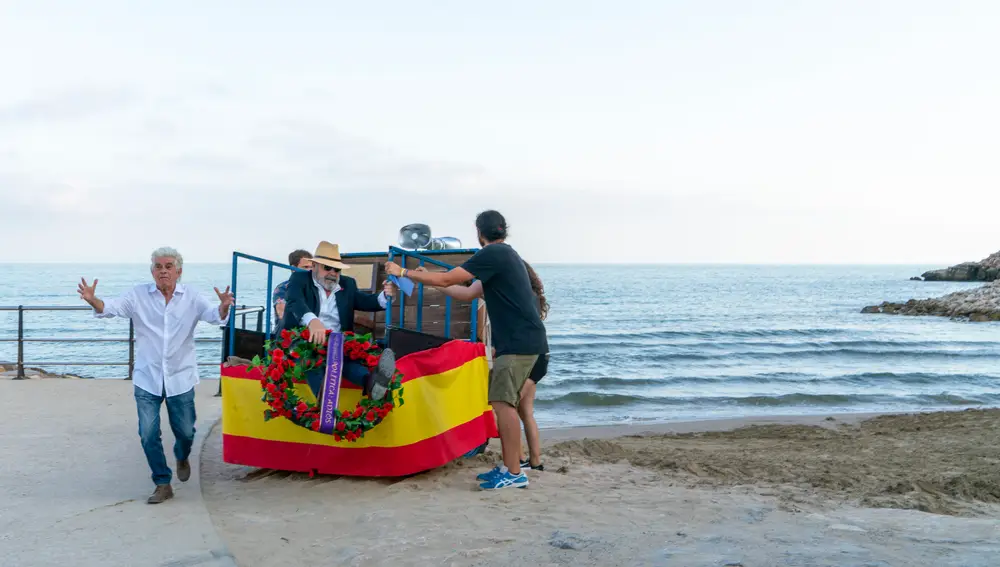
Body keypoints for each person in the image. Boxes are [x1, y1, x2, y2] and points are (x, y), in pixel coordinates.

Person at [385, 210, 547, 490]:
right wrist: (428, 277)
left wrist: (403, 272)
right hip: (522, 342)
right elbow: (466, 292)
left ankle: (514, 472)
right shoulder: (505, 257)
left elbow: (448, 280)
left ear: (479, 232)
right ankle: (511, 467)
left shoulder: (493, 254)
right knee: (503, 403)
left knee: (503, 404)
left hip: (518, 344)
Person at [77, 247, 235, 504]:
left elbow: (214, 317)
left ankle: (182, 455)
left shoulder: (192, 296)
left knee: (185, 432)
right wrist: (93, 300)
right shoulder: (138, 295)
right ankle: (162, 482)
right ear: (152, 271)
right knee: (148, 433)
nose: (163, 271)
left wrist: (224, 307)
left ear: (179, 271)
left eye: (168, 266)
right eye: (158, 266)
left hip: (180, 377)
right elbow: (110, 308)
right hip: (147, 377)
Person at [429, 259, 550, 472]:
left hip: (523, 356)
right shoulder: (528, 295)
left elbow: (467, 294)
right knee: (526, 412)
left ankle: (519, 459)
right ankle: (535, 461)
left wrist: (437, 283)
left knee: (505, 408)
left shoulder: (506, 291)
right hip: (539, 355)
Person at [278, 240, 398, 400]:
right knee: (312, 357)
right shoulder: (300, 279)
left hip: (336, 343)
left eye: (337, 269)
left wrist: (386, 295)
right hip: (302, 341)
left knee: (346, 360)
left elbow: (364, 301)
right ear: (314, 266)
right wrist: (312, 321)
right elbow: (294, 301)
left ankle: (372, 384)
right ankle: (324, 398)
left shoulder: (347, 284)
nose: (332, 272)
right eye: (327, 268)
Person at [273, 249, 313, 328]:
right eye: (306, 267)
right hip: (289, 334)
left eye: (312, 267)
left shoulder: (313, 288)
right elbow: (282, 313)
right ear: (293, 268)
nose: (310, 270)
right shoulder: (282, 288)